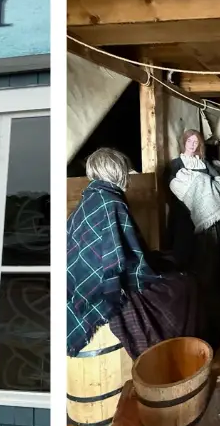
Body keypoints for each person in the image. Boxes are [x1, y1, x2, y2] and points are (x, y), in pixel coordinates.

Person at [67, 147, 157, 355]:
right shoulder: (111, 202)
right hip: (100, 289)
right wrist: (150, 275)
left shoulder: (90, 196)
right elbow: (128, 257)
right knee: (179, 291)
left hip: (76, 283)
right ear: (117, 171)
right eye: (124, 169)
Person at [167, 128, 220, 329]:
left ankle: (211, 306)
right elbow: (173, 186)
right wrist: (199, 184)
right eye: (190, 141)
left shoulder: (204, 164)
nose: (193, 145)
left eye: (196, 142)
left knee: (210, 260)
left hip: (208, 218)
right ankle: (190, 309)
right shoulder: (176, 164)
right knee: (189, 260)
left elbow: (219, 184)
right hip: (185, 219)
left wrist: (207, 184)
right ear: (184, 142)